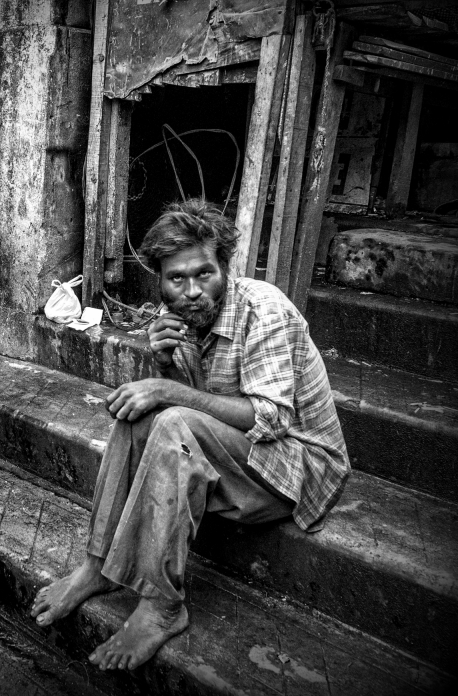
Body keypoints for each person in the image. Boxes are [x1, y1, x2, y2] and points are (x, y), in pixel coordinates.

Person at [30, 199, 350, 671]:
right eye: (177, 279)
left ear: (225, 267)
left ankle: (162, 604)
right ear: (160, 280)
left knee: (170, 415)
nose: (193, 291)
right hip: (237, 459)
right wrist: (160, 366)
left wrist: (164, 388)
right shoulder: (179, 320)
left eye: (205, 274)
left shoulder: (264, 311)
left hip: (296, 466)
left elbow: (268, 419)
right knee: (138, 415)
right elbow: (189, 410)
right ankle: (98, 565)